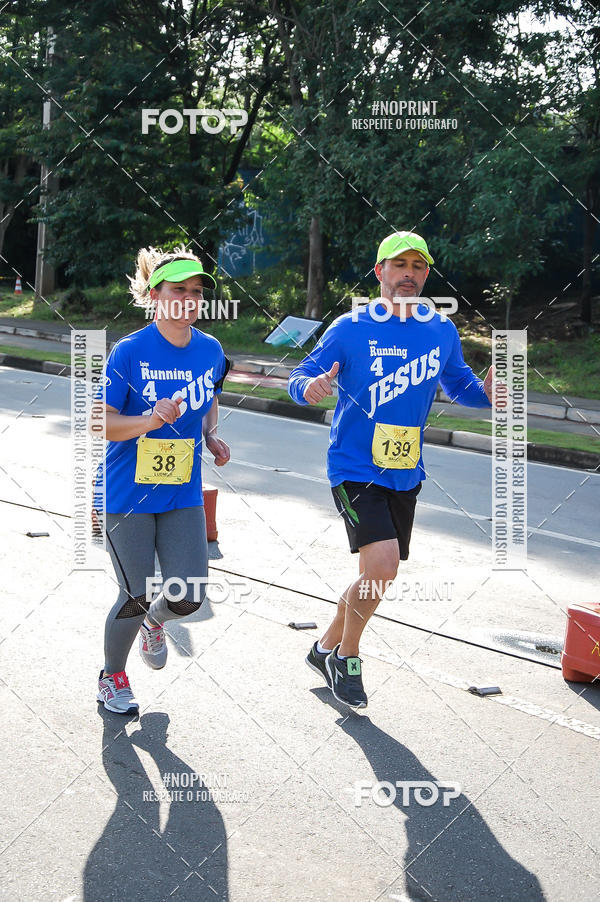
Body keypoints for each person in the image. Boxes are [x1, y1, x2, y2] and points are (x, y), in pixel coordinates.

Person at [288, 231, 494, 709]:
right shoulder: (349, 327)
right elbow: (299, 377)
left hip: (404, 470)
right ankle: (348, 656)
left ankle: (322, 649)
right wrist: (310, 387)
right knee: (379, 567)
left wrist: (488, 396)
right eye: (398, 265)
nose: (408, 274)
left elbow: (459, 385)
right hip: (354, 466)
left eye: (417, 266)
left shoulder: (440, 330)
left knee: (379, 575)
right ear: (379, 272)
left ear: (426, 275)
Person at [94, 245, 231, 714]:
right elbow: (99, 421)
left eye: (196, 292)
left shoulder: (210, 350)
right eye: (179, 290)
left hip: (181, 493)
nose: (190, 299)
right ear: (156, 295)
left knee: (189, 595)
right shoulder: (130, 351)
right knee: (133, 592)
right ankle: (112, 676)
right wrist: (148, 421)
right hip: (126, 493)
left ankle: (156, 621)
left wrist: (211, 435)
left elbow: (208, 396)